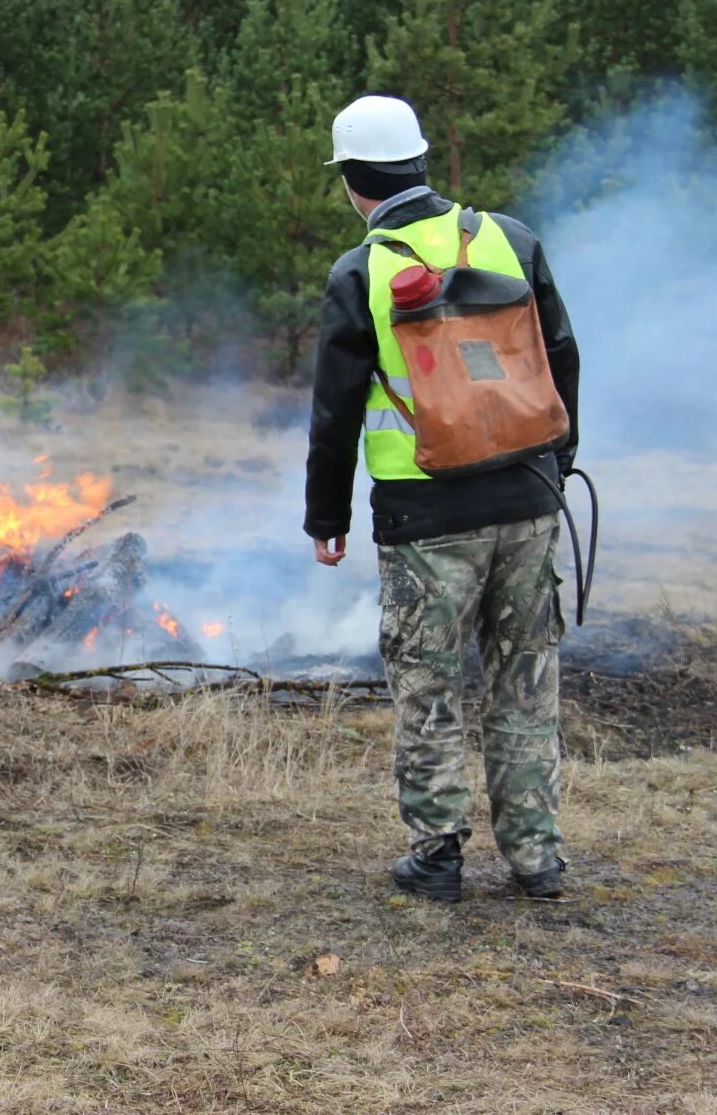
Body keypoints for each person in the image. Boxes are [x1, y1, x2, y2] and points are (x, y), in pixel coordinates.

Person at [304, 94, 580, 902]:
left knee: (429, 688)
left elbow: (336, 410)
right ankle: (537, 858)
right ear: (422, 161)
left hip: (425, 521)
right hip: (528, 501)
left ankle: (438, 855)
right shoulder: (512, 238)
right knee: (526, 682)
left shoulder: (362, 270)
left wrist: (328, 518)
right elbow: (561, 355)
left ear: (354, 180)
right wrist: (558, 466)